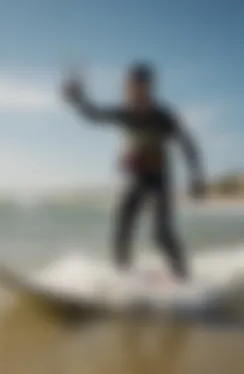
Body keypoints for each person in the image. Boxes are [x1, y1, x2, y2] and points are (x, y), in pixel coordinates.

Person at [62, 62, 205, 281]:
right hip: (136, 178)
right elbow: (94, 115)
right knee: (122, 225)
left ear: (148, 87)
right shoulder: (124, 113)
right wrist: (78, 99)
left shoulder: (163, 117)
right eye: (129, 86)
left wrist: (196, 177)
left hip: (159, 179)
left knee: (161, 233)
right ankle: (123, 276)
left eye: (138, 86)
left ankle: (184, 277)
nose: (131, 91)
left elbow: (188, 145)